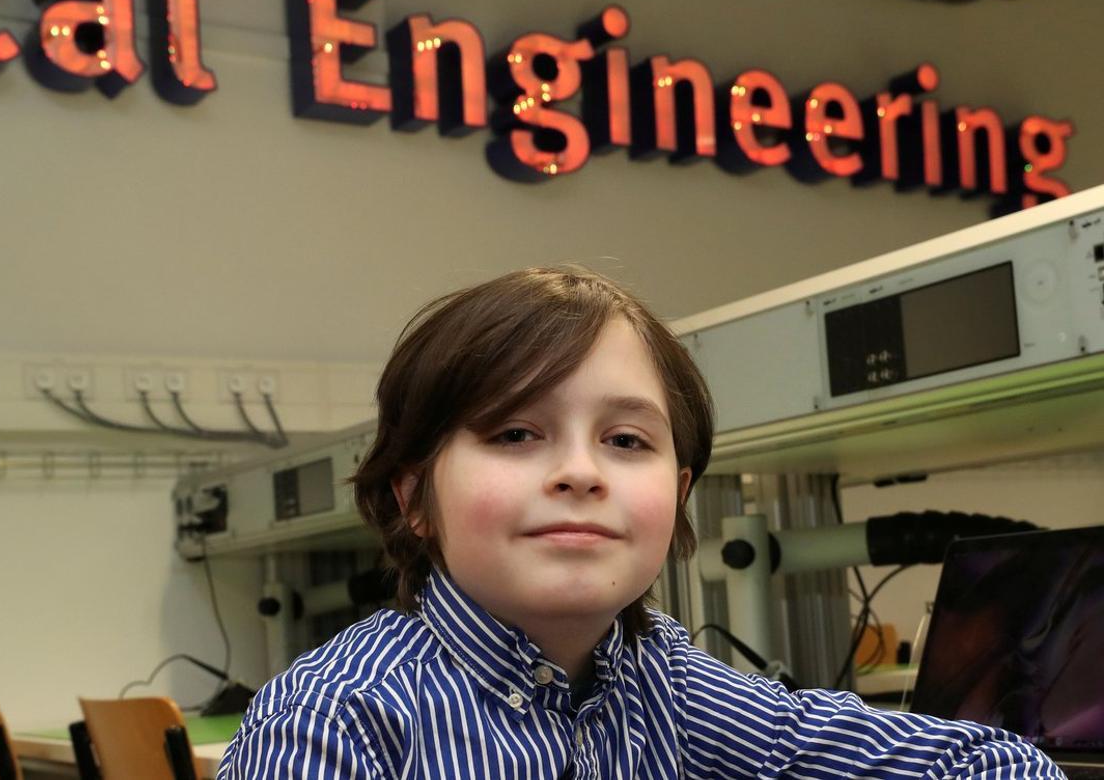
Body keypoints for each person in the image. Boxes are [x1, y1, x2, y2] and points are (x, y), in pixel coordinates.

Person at [216, 267, 1062, 779]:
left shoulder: (668, 682)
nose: (581, 471)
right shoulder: (336, 717)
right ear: (413, 499)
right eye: (515, 433)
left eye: (626, 440)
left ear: (680, 492)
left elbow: (982, 762)